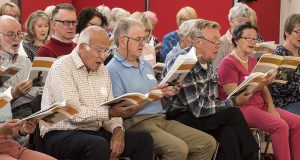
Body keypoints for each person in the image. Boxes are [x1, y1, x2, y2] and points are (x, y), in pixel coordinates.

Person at [107, 18, 216, 160]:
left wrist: (165, 96)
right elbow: (120, 113)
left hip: (160, 119)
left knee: (207, 143)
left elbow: (158, 104)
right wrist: (148, 97)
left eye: (144, 38)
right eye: (138, 39)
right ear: (122, 41)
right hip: (137, 123)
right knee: (178, 149)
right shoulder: (112, 69)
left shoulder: (145, 65)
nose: (143, 43)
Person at [40, 26, 153, 160]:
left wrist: (118, 131)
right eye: (99, 50)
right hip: (59, 133)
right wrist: (110, 112)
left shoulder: (102, 70)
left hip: (93, 132)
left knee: (143, 139)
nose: (104, 56)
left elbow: (111, 107)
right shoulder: (62, 67)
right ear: (82, 47)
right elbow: (72, 114)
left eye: (106, 50)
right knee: (98, 144)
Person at [163, 19, 259, 160]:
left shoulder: (207, 61)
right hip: (181, 116)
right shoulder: (183, 62)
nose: (218, 46)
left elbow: (208, 101)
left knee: (229, 134)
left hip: (200, 115)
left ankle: (251, 155)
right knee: (233, 112)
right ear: (198, 42)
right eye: (214, 42)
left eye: (218, 42)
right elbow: (198, 109)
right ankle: (252, 154)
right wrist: (233, 102)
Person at [218, 22, 300, 160]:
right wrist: (261, 83)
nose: (252, 42)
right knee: (280, 126)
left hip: (260, 105)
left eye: (255, 38)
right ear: (237, 40)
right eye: (248, 38)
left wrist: (271, 106)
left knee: (297, 123)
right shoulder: (228, 63)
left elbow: (265, 89)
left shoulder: (252, 60)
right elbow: (236, 97)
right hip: (242, 108)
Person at [0, 15, 36, 118]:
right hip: (13, 114)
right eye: (10, 35)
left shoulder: (25, 61)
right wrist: (15, 94)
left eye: (19, 34)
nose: (16, 39)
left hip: (35, 108)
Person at [269, 14, 300, 114]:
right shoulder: (279, 54)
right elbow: (280, 88)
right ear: (287, 31)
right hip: (286, 103)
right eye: (298, 31)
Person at [213, 3, 258, 70]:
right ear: (231, 21)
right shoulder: (220, 43)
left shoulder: (251, 41)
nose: (243, 25)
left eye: (246, 22)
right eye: (240, 21)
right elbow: (216, 71)